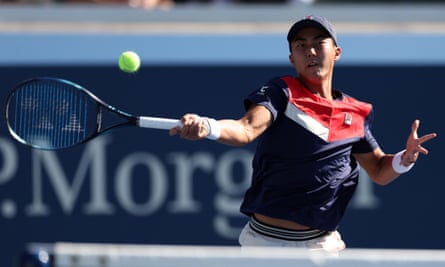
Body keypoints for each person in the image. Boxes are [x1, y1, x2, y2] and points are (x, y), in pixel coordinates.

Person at [169, 15, 437, 253]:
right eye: (300, 45)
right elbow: (246, 129)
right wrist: (208, 126)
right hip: (265, 245)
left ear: (336, 52)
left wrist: (405, 159)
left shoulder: (357, 112)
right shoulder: (281, 92)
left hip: (324, 246)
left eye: (319, 43)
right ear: (292, 59)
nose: (310, 51)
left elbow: (379, 169)